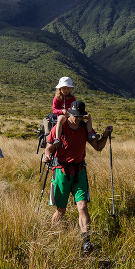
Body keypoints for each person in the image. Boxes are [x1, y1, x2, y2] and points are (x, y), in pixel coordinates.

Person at [43, 100, 113, 254]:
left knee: (82, 206)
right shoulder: (60, 127)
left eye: (80, 116)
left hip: (79, 171)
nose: (77, 119)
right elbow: (49, 147)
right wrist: (47, 155)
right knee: (61, 210)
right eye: (75, 116)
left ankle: (86, 242)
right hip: (61, 171)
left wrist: (106, 135)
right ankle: (51, 235)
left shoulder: (84, 128)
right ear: (70, 113)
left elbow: (98, 147)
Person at [51, 77, 98, 147]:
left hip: (72, 114)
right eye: (64, 88)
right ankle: (57, 139)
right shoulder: (56, 98)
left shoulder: (72, 98)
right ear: (60, 88)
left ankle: (90, 134)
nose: (66, 90)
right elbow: (54, 110)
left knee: (88, 116)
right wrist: (61, 111)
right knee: (60, 119)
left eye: (68, 88)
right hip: (62, 115)